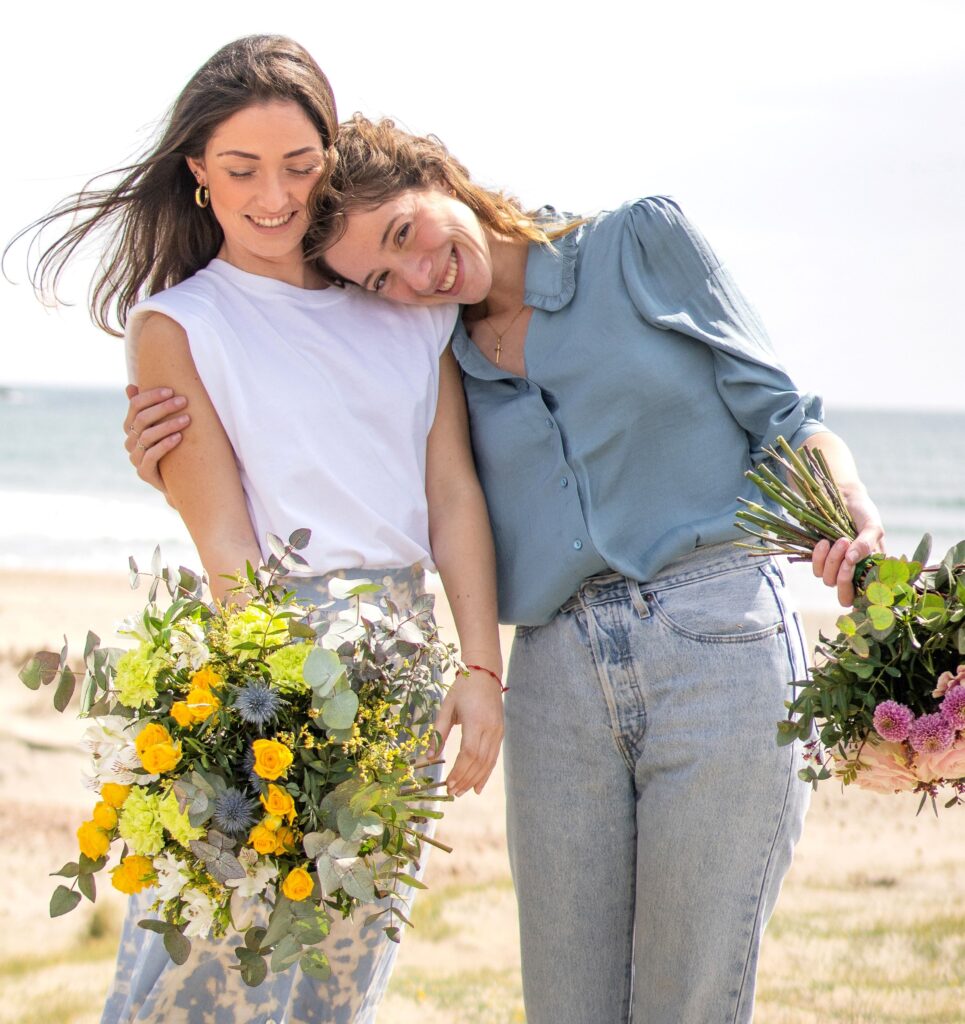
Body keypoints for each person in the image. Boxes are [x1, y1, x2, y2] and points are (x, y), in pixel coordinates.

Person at [128, 118, 885, 1022]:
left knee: (689, 997)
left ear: (438, 173)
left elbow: (785, 415)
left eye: (407, 231)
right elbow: (329, 434)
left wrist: (844, 497)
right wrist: (161, 452)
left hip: (714, 639)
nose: (418, 274)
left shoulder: (634, 241)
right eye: (380, 276)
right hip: (556, 673)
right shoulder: (428, 342)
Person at [16, 41, 503, 1024]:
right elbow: (228, 550)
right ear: (196, 170)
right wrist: (277, 697)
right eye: (241, 169)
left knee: (339, 972)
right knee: (216, 960)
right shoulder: (179, 326)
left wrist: (480, 669)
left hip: (403, 666)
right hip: (268, 661)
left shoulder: (404, 304)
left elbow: (451, 497)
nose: (273, 195)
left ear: (333, 154)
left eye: (299, 164)